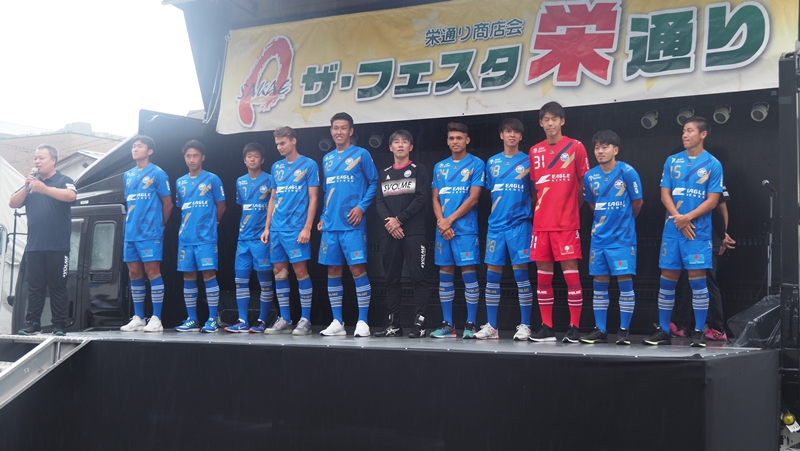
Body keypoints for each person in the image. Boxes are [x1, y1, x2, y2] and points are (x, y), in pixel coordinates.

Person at [644, 116, 723, 347]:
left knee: (698, 283)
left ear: (703, 134)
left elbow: (713, 201)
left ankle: (698, 331)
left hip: (698, 232)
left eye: (689, 131)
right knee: (667, 282)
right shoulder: (672, 161)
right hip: (673, 231)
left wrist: (687, 218)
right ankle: (663, 330)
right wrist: (678, 219)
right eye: (683, 131)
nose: (685, 135)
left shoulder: (713, 164)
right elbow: (664, 194)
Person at [528, 101, 590, 343]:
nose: (550, 123)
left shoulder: (576, 147)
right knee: (543, 278)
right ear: (541, 123)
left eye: (554, 119)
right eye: (546, 119)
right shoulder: (535, 151)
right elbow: (536, 188)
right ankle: (547, 327)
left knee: (571, 277)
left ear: (562, 121)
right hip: (541, 224)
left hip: (566, 224)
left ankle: (574, 328)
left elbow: (584, 184)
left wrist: (571, 209)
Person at [578, 130, 643, 345]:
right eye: (597, 147)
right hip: (599, 238)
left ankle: (624, 331)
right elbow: (591, 204)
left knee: (625, 282)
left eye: (605, 147)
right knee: (599, 284)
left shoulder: (628, 172)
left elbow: (637, 202)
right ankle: (600, 330)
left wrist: (625, 221)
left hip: (622, 238)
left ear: (615, 150)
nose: (600, 151)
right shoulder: (590, 176)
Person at [317, 112, 378, 337]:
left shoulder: (362, 154)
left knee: (357, 269)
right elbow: (327, 191)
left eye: (343, 128)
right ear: (331, 131)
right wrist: (323, 215)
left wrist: (361, 207)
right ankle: (337, 322)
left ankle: (363, 321)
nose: (339, 132)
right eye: (335, 128)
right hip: (330, 225)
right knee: (333, 270)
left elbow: (374, 183)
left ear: (351, 131)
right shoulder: (327, 159)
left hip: (352, 224)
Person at [476, 118, 535, 340]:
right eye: (508, 131)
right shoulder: (492, 162)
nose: (512, 135)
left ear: (521, 136)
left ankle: (526, 325)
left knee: (521, 275)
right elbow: (491, 192)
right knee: (492, 276)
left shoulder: (528, 161)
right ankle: (492, 327)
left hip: (520, 225)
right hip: (496, 226)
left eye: (516, 132)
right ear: (501, 135)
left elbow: (534, 194)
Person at [11, 144, 77, 336]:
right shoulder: (31, 184)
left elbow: (71, 196)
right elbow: (13, 203)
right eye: (35, 158)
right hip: (34, 246)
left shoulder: (64, 180)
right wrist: (27, 187)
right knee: (34, 287)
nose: (37, 162)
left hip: (58, 246)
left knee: (57, 286)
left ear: (53, 160)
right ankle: (33, 322)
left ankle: (58, 325)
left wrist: (45, 189)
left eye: (41, 158)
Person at [261, 126, 320, 335]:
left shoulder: (309, 165)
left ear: (293, 141)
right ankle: (285, 318)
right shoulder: (276, 167)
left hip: (296, 229)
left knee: (300, 272)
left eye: (283, 143)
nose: (279, 147)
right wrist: (267, 227)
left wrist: (307, 228)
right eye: (277, 144)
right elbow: (273, 198)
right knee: (279, 272)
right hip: (277, 229)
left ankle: (305, 319)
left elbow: (313, 198)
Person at [373, 130, 430, 338]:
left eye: (404, 142)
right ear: (390, 147)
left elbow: (421, 198)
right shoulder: (384, 173)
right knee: (391, 279)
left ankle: (420, 324)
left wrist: (400, 219)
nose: (400, 145)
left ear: (410, 147)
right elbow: (379, 202)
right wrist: (391, 223)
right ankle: (394, 324)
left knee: (418, 278)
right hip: (390, 233)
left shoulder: (418, 170)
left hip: (413, 233)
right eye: (396, 142)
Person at [431, 122, 485, 339]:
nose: (455, 141)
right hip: (443, 230)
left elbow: (474, 197)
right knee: (445, 274)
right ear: (447, 141)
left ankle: (471, 324)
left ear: (467, 140)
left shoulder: (476, 164)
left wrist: (449, 221)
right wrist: (441, 222)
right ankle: (448, 325)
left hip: (465, 229)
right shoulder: (439, 166)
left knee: (468, 274)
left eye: (459, 138)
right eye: (452, 138)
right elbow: (435, 198)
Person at [120, 136, 173, 332]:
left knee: (152, 271)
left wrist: (159, 225)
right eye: (133, 146)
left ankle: (156, 318)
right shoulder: (127, 175)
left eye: (140, 146)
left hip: (150, 232)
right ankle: (139, 317)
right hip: (131, 232)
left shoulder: (158, 173)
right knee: (134, 272)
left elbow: (168, 204)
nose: (135, 149)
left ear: (150, 151)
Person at [174, 140, 227, 332]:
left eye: (195, 156)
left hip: (206, 238)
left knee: (208, 274)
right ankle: (192, 319)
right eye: (188, 156)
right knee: (188, 276)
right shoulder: (180, 182)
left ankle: (212, 319)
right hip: (186, 238)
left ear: (202, 157)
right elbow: (181, 207)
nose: (192, 159)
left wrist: (213, 223)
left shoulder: (212, 179)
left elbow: (222, 206)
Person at [670, 185, 734, 341]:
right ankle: (680, 324)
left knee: (707, 280)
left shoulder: (713, 177)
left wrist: (722, 235)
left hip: (709, 238)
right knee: (687, 280)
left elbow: (721, 209)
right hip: (689, 236)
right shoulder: (683, 180)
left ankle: (717, 328)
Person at [224, 143, 275, 333]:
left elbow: (273, 206)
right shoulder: (240, 181)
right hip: (243, 238)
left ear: (262, 160)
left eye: (256, 156)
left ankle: (262, 320)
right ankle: (242, 320)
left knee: (264, 281)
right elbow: (243, 206)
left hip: (261, 238)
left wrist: (267, 229)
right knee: (240, 280)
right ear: (244, 160)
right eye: (249, 156)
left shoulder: (270, 179)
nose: (252, 159)